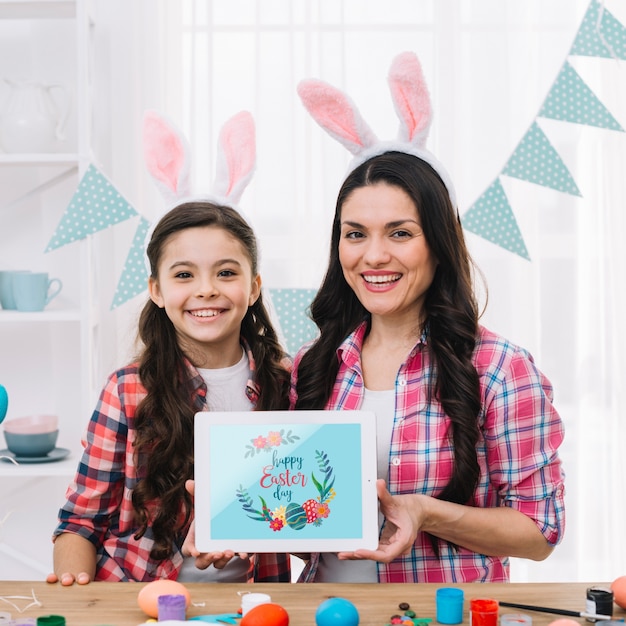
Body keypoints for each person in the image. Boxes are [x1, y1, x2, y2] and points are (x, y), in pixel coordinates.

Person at [290, 52, 566, 583]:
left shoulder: (501, 369)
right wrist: (228, 522)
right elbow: (298, 518)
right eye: (355, 234)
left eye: (400, 233)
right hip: (318, 614)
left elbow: (540, 532)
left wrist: (427, 513)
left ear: (438, 245)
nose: (373, 256)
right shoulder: (311, 364)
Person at [46, 111, 291, 585]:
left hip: (255, 603)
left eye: (226, 272)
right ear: (157, 291)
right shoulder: (127, 390)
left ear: (254, 286)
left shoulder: (288, 380)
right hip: (140, 597)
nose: (206, 290)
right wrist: (74, 596)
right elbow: (80, 521)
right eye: (184, 275)